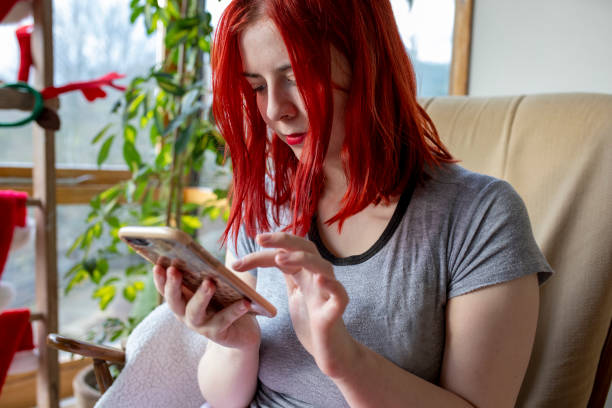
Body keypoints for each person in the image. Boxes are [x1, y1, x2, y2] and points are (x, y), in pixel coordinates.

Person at [153, 1, 553, 407]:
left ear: (368, 63)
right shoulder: (269, 195)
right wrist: (235, 345)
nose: (275, 110)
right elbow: (225, 400)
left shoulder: (481, 217)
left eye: (298, 78)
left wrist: (346, 361)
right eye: (258, 86)